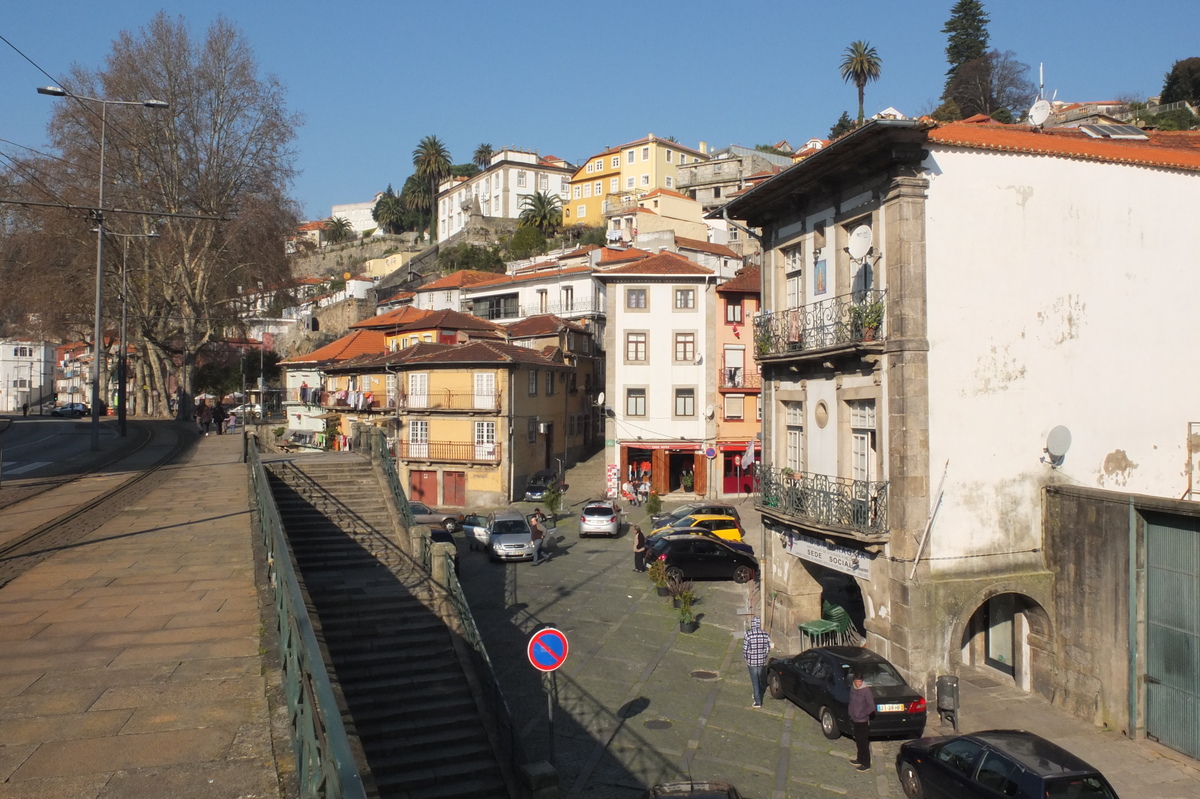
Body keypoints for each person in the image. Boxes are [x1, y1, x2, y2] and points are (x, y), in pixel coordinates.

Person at [742, 616, 772, 708]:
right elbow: (768, 648)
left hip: (752, 662)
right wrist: (764, 656)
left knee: (755, 681)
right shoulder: (765, 635)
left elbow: (745, 649)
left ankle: (758, 701)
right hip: (761, 661)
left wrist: (746, 658)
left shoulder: (749, 635)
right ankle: (758, 693)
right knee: (759, 677)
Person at [848, 673, 875, 771]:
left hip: (863, 720)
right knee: (858, 741)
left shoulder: (866, 691)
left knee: (863, 742)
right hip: (855, 719)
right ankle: (859, 759)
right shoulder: (853, 689)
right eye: (857, 681)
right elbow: (851, 702)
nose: (858, 683)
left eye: (860, 681)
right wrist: (850, 713)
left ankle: (866, 763)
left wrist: (863, 714)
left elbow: (871, 706)